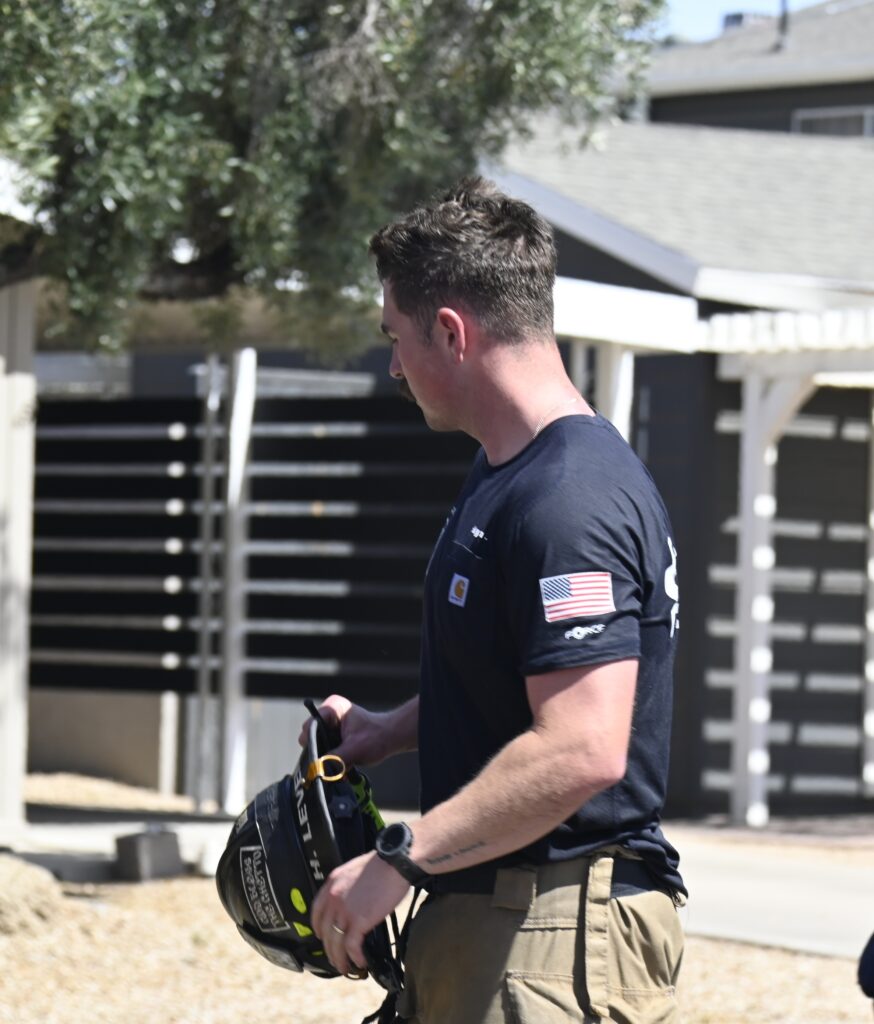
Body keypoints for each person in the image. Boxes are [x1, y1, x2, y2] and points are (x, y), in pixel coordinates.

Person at [306, 177, 686, 1024]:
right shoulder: (509, 474)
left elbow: (582, 747)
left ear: (451, 332)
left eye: (395, 337)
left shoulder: (570, 499)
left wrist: (399, 857)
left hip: (551, 932)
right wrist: (389, 730)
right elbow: (522, 681)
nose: (393, 365)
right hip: (504, 921)